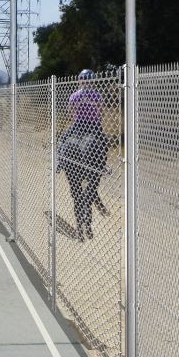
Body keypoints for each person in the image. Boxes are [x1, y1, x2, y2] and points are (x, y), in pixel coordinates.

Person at [57, 71, 110, 238]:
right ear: (92, 81)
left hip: (78, 125)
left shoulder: (75, 95)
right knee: (104, 141)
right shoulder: (97, 95)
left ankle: (60, 161)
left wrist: (78, 113)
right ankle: (103, 165)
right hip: (94, 126)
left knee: (63, 139)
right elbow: (101, 113)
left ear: (80, 81)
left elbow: (70, 112)